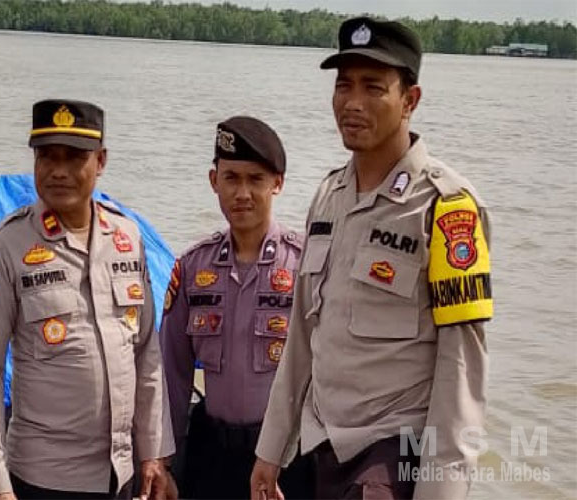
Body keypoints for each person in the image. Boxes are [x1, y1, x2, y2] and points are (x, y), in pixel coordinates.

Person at [250, 17, 492, 500]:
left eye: (373, 87)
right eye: (344, 85)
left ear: (410, 100)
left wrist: (439, 492)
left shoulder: (446, 207)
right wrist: (271, 448)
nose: (353, 102)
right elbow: (303, 334)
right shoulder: (329, 195)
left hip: (391, 454)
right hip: (323, 445)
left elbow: (461, 371)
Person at [0, 99, 175, 500]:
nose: (58, 171)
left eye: (74, 157)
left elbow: (147, 352)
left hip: (121, 475)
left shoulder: (127, 238)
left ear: (101, 161)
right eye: (47, 156)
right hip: (44, 479)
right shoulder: (7, 245)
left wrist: (153, 454)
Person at [160, 116, 311, 499]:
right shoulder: (192, 267)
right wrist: (163, 462)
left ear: (277, 183)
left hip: (287, 458)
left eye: (255, 179)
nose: (243, 193)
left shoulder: (306, 266)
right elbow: (172, 376)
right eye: (231, 178)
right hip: (212, 456)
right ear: (214, 181)